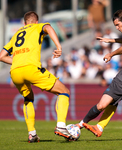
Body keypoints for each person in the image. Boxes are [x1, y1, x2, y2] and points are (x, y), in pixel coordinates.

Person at [0, 11, 74, 142]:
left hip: (15, 72)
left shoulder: (16, 34)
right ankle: (61, 126)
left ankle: (32, 134)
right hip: (31, 69)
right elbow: (49, 28)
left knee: (28, 98)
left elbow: (1, 56)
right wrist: (59, 46)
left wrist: (18, 60)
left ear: (24, 23)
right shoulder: (38, 26)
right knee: (64, 92)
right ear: (36, 22)